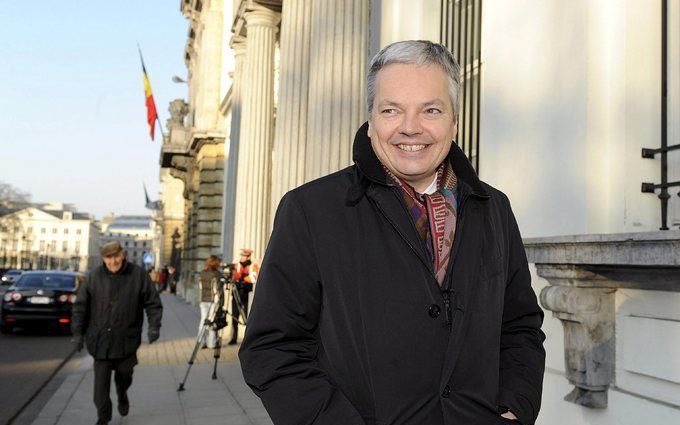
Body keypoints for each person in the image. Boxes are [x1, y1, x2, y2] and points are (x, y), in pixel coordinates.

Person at [239, 40, 545, 425]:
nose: (410, 127)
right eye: (391, 110)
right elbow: (272, 348)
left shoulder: (493, 208)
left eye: (430, 110)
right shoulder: (311, 210)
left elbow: (520, 326)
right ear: (371, 121)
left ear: (453, 121)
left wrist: (516, 405)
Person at [72, 241, 162, 425]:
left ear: (123, 255)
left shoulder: (138, 275)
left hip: (126, 340)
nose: (113, 261)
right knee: (100, 385)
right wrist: (78, 334)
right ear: (104, 259)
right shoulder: (93, 277)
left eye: (116, 256)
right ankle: (103, 417)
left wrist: (154, 327)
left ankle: (122, 394)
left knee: (125, 375)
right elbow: (80, 307)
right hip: (100, 340)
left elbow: (153, 303)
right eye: (108, 258)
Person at [228, 248, 258, 345]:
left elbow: (253, 278)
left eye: (244, 256)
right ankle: (234, 338)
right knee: (234, 317)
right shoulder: (237, 266)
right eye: (241, 256)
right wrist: (239, 273)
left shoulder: (253, 266)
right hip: (236, 294)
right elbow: (235, 277)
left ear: (248, 257)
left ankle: (248, 339)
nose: (242, 257)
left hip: (246, 294)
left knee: (247, 317)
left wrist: (242, 279)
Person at [198, 255, 224, 349]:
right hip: (214, 300)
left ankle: (201, 342)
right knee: (212, 321)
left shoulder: (202, 273)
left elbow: (200, 286)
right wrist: (220, 302)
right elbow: (219, 290)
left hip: (203, 300)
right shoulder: (217, 274)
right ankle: (212, 343)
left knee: (203, 321)